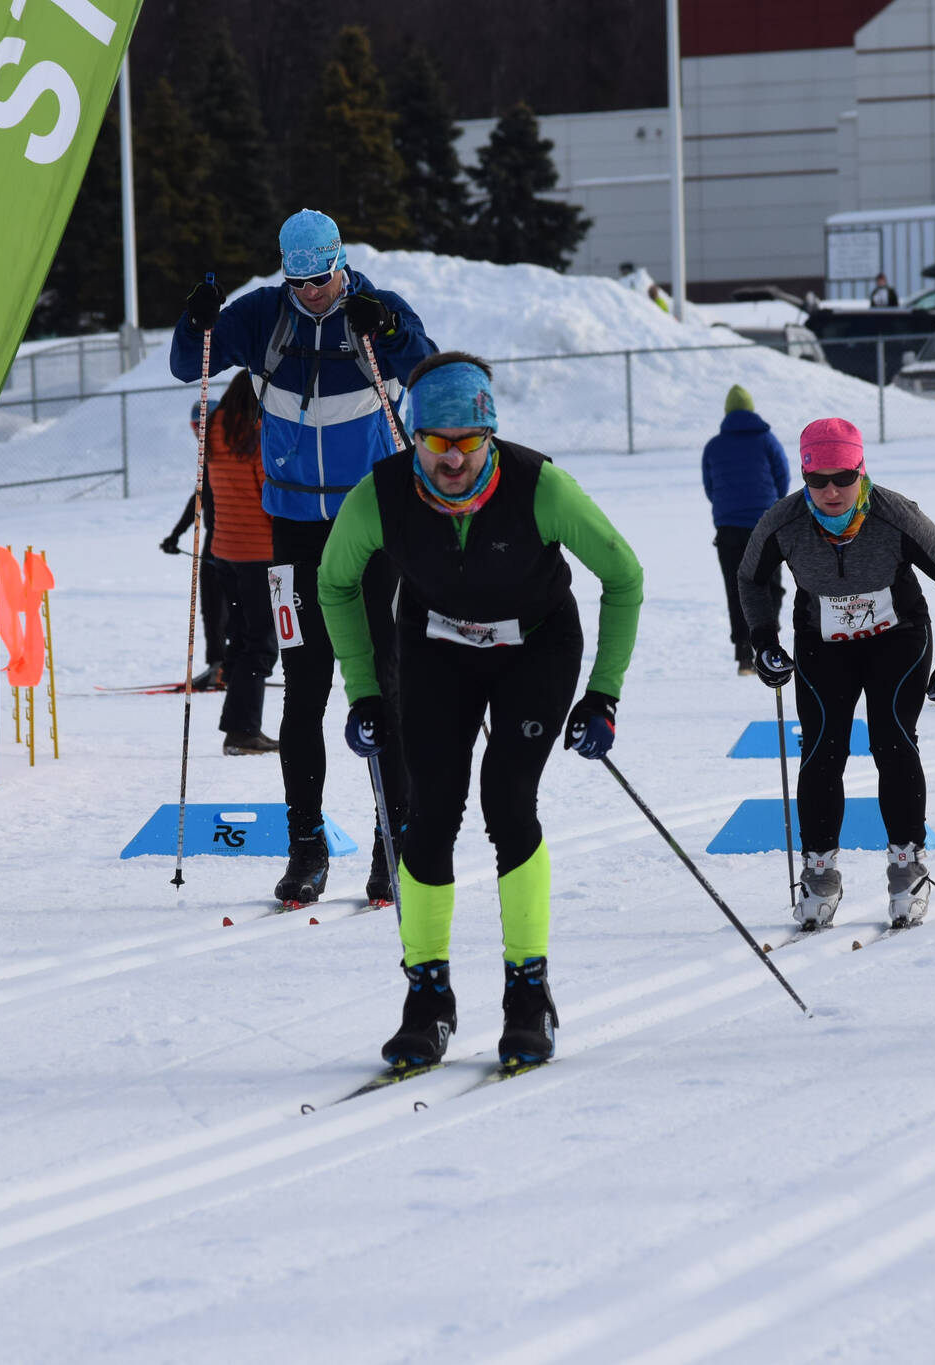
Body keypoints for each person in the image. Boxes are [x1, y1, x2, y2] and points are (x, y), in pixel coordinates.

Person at [316, 354, 642, 1067]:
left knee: (508, 800)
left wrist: (604, 692)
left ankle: (529, 991)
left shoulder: (540, 485)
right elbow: (334, 582)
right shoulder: (382, 495)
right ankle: (427, 995)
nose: (453, 458)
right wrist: (363, 690)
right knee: (428, 814)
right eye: (436, 441)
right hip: (435, 649)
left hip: (536, 647)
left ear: (491, 436)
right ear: (413, 437)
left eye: (469, 442)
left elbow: (624, 574)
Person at [172, 209, 436, 907]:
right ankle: (306, 848)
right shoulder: (264, 316)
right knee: (305, 688)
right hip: (292, 532)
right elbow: (184, 364)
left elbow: (428, 374)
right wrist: (194, 321)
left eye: (322, 280)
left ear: (339, 264)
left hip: (373, 524)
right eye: (300, 282)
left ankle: (392, 845)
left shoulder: (373, 310)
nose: (313, 293)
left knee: (383, 684)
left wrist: (394, 331)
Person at [741, 418, 935, 930]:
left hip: (897, 638)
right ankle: (820, 870)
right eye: (817, 479)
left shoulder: (895, 515)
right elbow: (750, 578)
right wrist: (762, 641)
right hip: (823, 643)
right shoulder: (783, 523)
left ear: (861, 471)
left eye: (842, 477)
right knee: (822, 747)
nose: (830, 491)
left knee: (893, 738)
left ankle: (906, 864)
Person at [204, 372, 280, 754]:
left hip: (224, 550)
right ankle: (243, 730)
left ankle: (238, 723)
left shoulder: (215, 427)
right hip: (259, 552)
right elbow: (271, 496)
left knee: (242, 640)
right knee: (261, 645)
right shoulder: (259, 432)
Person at [701, 384, 788, 675]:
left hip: (728, 529)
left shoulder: (714, 445)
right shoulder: (767, 440)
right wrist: (772, 508)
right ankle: (769, 641)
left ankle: (744, 655)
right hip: (764, 525)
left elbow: (710, 486)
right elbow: (783, 477)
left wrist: (728, 510)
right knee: (770, 583)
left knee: (736, 587)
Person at [160, 396, 230, 692]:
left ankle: (225, 667)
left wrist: (176, 535)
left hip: (226, 543)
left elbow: (201, 499)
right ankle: (227, 665)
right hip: (227, 543)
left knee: (219, 608)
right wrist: (175, 535)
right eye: (196, 429)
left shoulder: (222, 454)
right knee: (223, 607)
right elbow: (200, 498)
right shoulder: (219, 452)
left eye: (202, 427)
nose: (199, 434)